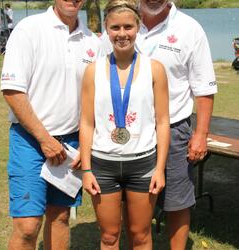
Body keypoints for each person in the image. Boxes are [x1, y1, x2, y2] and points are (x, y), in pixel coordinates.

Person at [101, 0, 218, 249]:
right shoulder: (122, 24)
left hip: (174, 128)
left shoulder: (190, 28)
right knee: (127, 202)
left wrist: (201, 134)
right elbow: (102, 77)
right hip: (129, 131)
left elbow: (204, 87)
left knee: (176, 201)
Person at [0, 0, 101, 249]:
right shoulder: (29, 30)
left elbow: (97, 99)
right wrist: (45, 140)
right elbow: (13, 91)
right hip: (31, 141)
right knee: (28, 226)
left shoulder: (92, 41)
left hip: (72, 144)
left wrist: (86, 148)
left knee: (60, 217)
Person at [80, 1, 170, 249]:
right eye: (115, 27)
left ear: (138, 28)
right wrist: (86, 170)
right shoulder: (92, 71)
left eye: (128, 27)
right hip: (103, 165)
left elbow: (162, 122)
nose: (122, 34)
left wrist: (160, 168)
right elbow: (87, 123)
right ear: (106, 30)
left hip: (143, 165)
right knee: (109, 236)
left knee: (140, 235)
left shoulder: (155, 69)